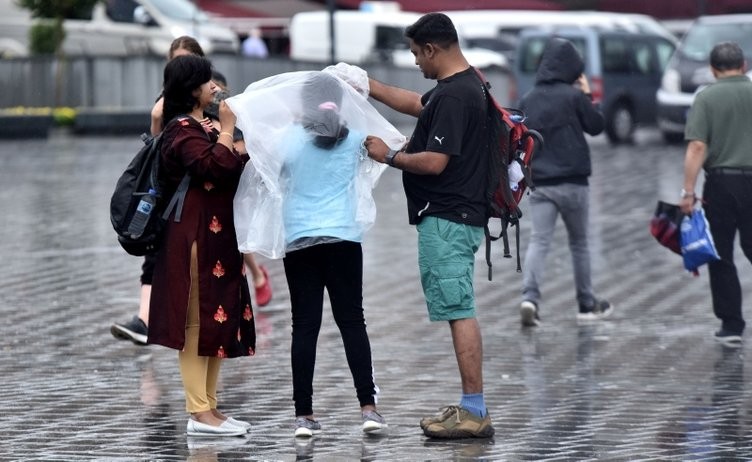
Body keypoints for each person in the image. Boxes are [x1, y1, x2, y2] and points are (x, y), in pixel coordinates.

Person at [361, 12, 494, 439]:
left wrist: (388, 155)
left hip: (450, 218)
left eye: (418, 54)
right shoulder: (460, 86)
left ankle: (475, 411)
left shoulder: (456, 97)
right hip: (458, 215)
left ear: (433, 49)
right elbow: (419, 105)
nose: (417, 62)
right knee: (458, 306)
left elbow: (434, 163)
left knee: (459, 309)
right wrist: (368, 86)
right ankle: (470, 406)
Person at [148, 54, 256, 437]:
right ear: (192, 88)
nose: (215, 87)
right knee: (195, 322)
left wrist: (236, 143)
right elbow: (212, 168)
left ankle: (211, 407)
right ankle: (198, 413)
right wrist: (227, 131)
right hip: (193, 237)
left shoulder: (202, 125)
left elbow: (229, 165)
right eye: (207, 82)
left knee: (217, 318)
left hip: (220, 237)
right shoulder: (180, 130)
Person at [281, 72, 386, 437]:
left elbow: (269, 172)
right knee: (352, 322)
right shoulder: (356, 138)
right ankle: (369, 409)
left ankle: (303, 417)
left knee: (305, 326)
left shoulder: (289, 140)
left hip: (299, 239)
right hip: (343, 237)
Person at [110, 36, 206, 346]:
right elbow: (158, 149)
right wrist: (156, 120)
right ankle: (146, 320)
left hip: (198, 194)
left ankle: (174, 321)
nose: (179, 66)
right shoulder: (164, 101)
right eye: (175, 60)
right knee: (155, 253)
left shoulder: (209, 92)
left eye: (186, 59)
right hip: (170, 190)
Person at [516, 37, 612, 328]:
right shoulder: (573, 97)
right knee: (580, 244)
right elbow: (596, 127)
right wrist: (587, 96)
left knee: (539, 241)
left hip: (541, 183)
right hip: (573, 182)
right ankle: (586, 304)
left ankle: (530, 298)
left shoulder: (528, 99)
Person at [680, 41, 752, 347]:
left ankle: (732, 324)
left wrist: (688, 192)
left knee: (721, 253)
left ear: (712, 69)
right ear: (744, 65)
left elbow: (697, 146)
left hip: (722, 185)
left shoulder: (706, 98)